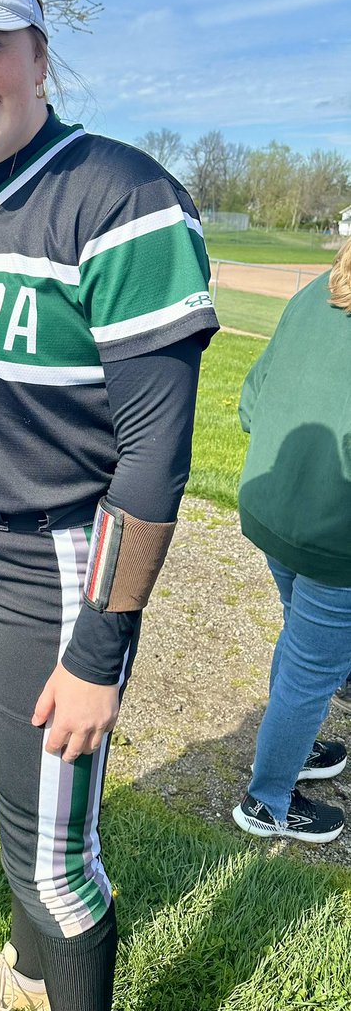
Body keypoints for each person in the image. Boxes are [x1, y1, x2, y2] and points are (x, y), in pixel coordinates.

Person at [0, 0, 219, 1011]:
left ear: (39, 49)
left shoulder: (124, 197)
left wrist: (100, 644)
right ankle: (29, 979)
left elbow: (156, 449)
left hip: (51, 561)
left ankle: (53, 971)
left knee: (55, 865)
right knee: (19, 793)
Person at [232, 240, 351, 843]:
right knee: (312, 666)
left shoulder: (315, 292)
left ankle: (291, 749)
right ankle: (267, 802)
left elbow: (251, 401)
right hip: (337, 538)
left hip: (274, 507)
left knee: (303, 643)